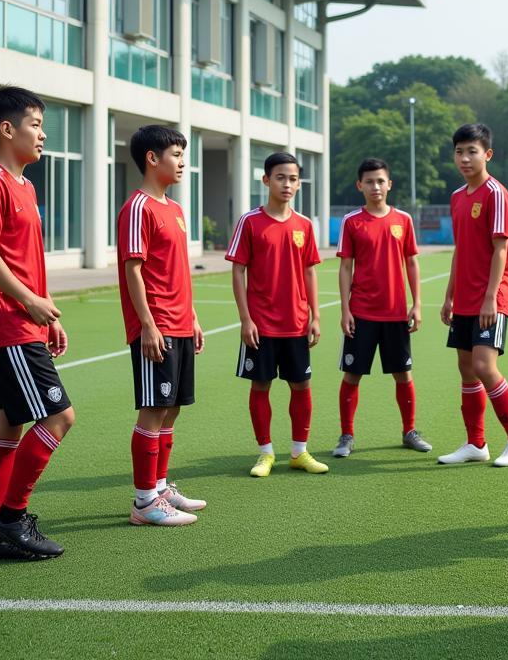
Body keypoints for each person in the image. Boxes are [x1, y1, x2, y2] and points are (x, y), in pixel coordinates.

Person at [0, 87, 73, 561]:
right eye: (35, 124)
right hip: (7, 324)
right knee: (59, 417)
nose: (43, 134)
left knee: (5, 430)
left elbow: (24, 261)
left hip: (24, 322)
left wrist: (44, 310)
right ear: (7, 130)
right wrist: (28, 302)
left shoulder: (25, 187)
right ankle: (13, 516)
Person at [117, 125, 206, 527]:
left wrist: (193, 319)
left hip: (180, 323)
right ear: (152, 158)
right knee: (153, 410)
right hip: (158, 327)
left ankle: (160, 486)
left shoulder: (174, 208)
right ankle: (143, 502)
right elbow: (133, 270)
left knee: (171, 410)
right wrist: (148, 325)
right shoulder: (139, 207)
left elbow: (176, 271)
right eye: (175, 153)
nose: (182, 161)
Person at [227, 152, 327, 476]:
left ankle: (299, 452)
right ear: (266, 180)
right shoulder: (250, 222)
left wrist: (315, 315)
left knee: (301, 386)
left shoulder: (304, 225)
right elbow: (238, 271)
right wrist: (245, 318)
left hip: (296, 323)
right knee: (261, 386)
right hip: (261, 325)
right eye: (281, 177)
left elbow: (310, 272)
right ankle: (266, 453)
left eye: (293, 179)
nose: (287, 184)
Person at [438, 123, 508, 467]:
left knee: (483, 365)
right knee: (466, 368)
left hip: (491, 297)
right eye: (459, 151)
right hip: (463, 298)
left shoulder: (495, 193)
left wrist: (491, 297)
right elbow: (460, 249)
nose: (464, 158)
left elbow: (501, 249)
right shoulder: (457, 197)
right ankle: (475, 443)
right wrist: (449, 295)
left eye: (472, 151)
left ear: (487, 154)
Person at [332, 158, 430, 458]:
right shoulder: (352, 221)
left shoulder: (403, 220)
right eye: (369, 181)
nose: (375, 186)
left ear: (389, 184)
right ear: (360, 185)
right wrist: (345, 309)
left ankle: (409, 431)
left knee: (403, 374)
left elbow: (411, 263)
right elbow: (345, 266)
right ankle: (347, 435)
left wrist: (417, 304)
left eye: (380, 181)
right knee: (352, 375)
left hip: (396, 314)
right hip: (361, 313)